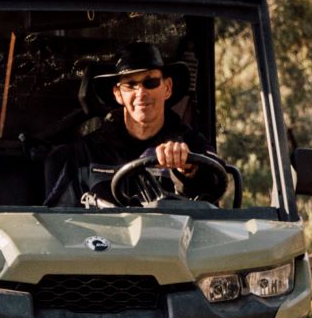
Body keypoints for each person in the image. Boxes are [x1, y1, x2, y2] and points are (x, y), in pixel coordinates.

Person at [44, 41, 213, 207]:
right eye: (130, 85)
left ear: (167, 88)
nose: (141, 93)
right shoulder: (86, 153)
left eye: (150, 82)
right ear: (118, 94)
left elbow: (215, 195)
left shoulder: (192, 145)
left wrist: (190, 169)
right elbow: (60, 219)